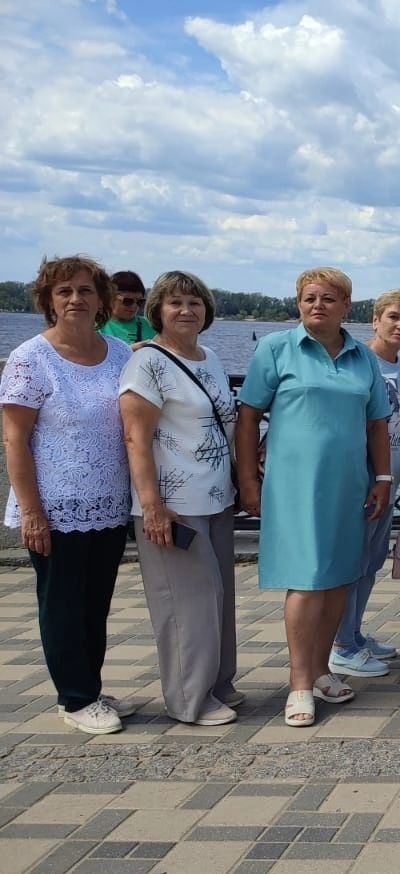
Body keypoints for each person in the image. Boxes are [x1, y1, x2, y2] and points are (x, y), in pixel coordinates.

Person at [236, 267, 392, 727]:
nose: (317, 305)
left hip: (349, 485)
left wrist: (382, 478)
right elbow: (247, 419)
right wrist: (247, 481)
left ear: (347, 306)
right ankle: (299, 682)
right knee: (306, 580)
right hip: (294, 486)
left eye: (328, 298)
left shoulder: (363, 357)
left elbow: (377, 423)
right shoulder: (276, 349)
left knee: (340, 578)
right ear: (298, 304)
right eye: (308, 298)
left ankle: (322, 669)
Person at [3, 255, 135, 734]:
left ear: (101, 300)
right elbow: (15, 440)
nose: (76, 299)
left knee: (95, 602)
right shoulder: (30, 359)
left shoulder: (120, 355)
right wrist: (32, 512)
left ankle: (91, 687)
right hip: (55, 506)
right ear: (48, 301)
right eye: (64, 292)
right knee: (61, 603)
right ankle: (75, 698)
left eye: (85, 291)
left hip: (108, 502)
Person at [119, 270, 241, 726]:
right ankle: (189, 698)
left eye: (194, 303)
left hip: (216, 496)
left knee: (219, 595)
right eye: (174, 304)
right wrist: (151, 504)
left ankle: (218, 682)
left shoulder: (207, 357)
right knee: (187, 602)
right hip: (173, 503)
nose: (186, 311)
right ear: (157, 312)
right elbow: (136, 437)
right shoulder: (146, 363)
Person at [330, 289, 400, 678]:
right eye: (393, 317)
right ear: (375, 320)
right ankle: (341, 646)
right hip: (362, 479)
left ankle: (354, 632)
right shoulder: (358, 364)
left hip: (391, 479)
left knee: (371, 561)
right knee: (351, 562)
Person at [99, 270, 156, 345]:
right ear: (110, 298)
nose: (134, 306)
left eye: (140, 301)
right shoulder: (97, 327)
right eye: (128, 301)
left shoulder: (151, 326)